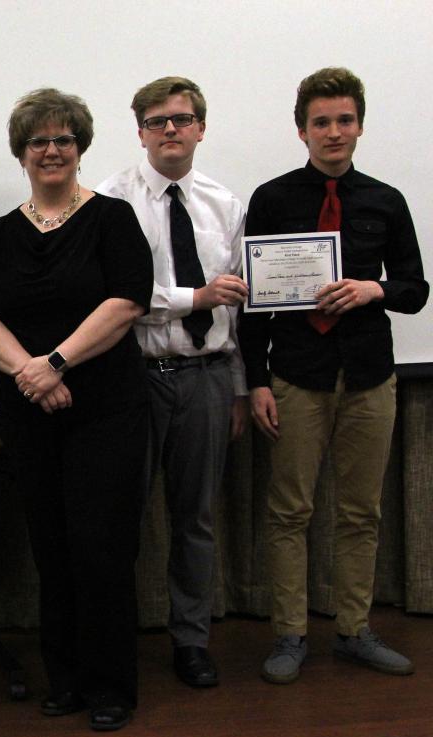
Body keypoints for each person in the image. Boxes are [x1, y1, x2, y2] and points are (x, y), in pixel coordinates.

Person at [0, 89, 152, 732]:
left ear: (81, 148)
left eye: (64, 139)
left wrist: (57, 364)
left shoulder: (112, 220)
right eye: (39, 140)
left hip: (106, 411)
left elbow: (128, 302)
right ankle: (66, 679)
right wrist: (30, 372)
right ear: (22, 151)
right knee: (52, 551)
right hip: (30, 412)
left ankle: (111, 688)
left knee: (101, 550)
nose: (52, 149)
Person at [240, 67, 427, 684]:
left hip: (370, 377)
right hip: (297, 376)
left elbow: (415, 290)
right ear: (302, 130)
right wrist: (257, 381)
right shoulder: (271, 199)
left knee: (360, 512)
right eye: (321, 122)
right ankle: (290, 634)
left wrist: (375, 288)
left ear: (360, 127)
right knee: (290, 511)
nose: (334, 132)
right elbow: (254, 303)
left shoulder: (386, 200)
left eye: (344, 120)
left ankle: (354, 630)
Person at [97, 77, 247, 689]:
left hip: (208, 377)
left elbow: (235, 304)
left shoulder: (225, 204)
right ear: (139, 132)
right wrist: (194, 297)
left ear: (201, 128)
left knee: (196, 518)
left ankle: (191, 640)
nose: (170, 131)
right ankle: (115, 640)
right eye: (157, 121)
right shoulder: (110, 200)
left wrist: (237, 385)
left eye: (182, 120)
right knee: (119, 517)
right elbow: (117, 293)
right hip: (132, 380)